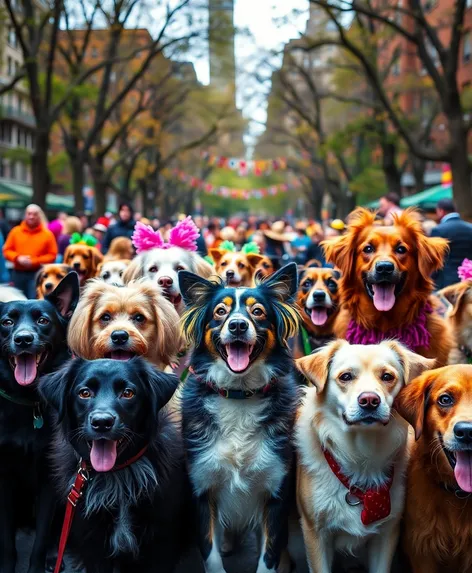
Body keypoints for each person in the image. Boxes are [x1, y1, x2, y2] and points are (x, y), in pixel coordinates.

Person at [3, 204, 57, 298]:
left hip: (37, 274)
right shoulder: (15, 232)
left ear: (39, 216)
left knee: (34, 301)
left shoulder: (47, 235)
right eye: (29, 214)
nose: (31, 216)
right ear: (25, 215)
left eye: (35, 214)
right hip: (17, 274)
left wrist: (34, 261)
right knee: (16, 300)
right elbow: (7, 250)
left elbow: (52, 255)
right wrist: (18, 258)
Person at [431, 199, 472, 289]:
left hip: (446, 281)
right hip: (468, 279)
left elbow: (435, 258)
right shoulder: (470, 228)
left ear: (441, 211)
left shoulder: (438, 230)